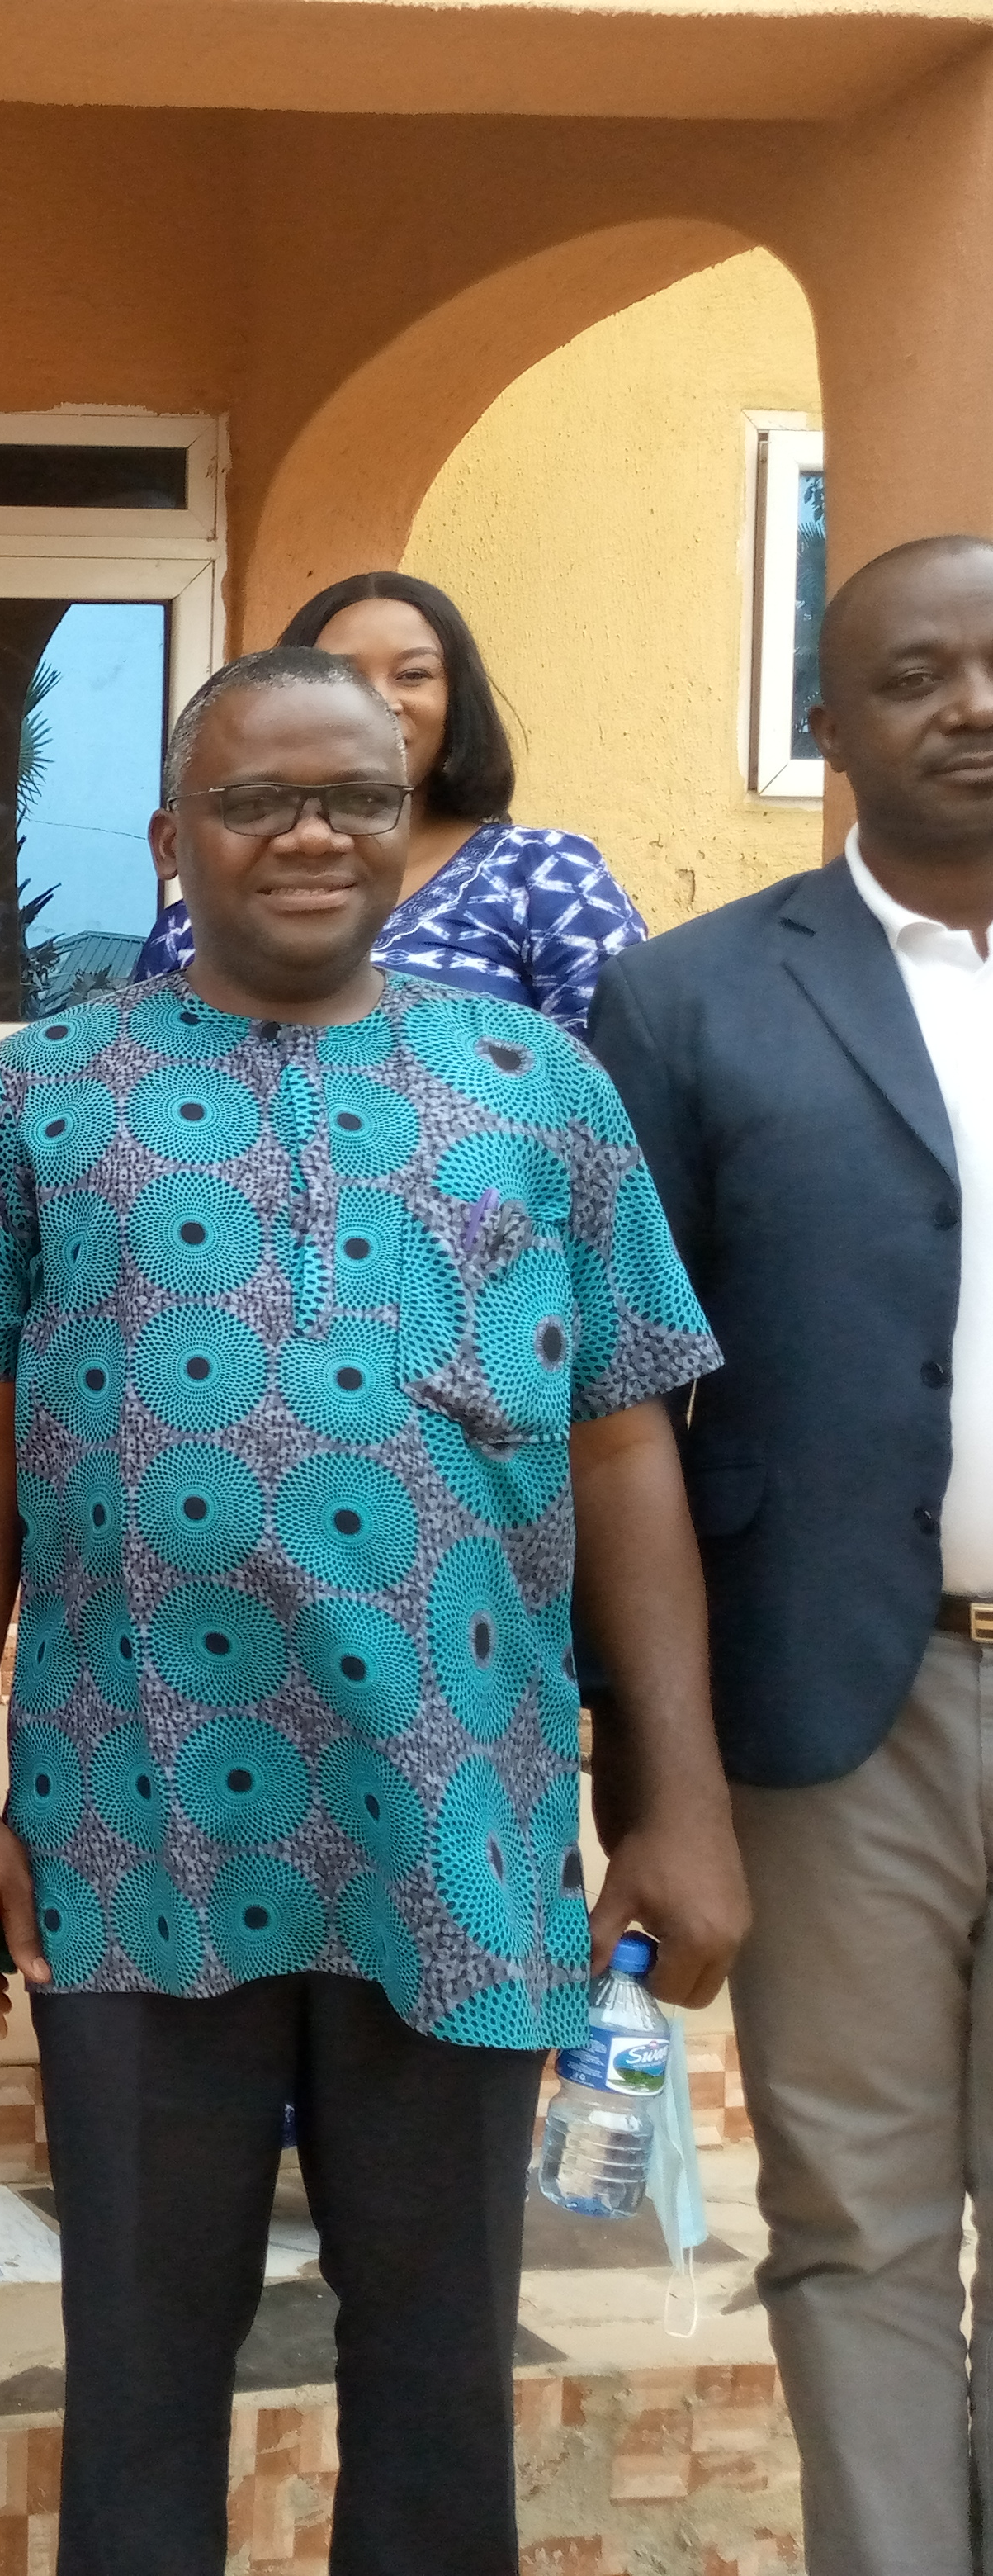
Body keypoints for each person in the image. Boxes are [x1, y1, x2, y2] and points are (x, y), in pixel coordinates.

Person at [0, 646, 749, 2575]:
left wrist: (677, 1797)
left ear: (406, 823)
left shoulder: (539, 1090)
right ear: (169, 836)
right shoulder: (44, 1097)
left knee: (437, 2365)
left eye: (354, 799)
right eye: (256, 800)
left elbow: (625, 1443)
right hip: (131, 1823)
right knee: (139, 2359)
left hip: (458, 1814)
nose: (308, 835)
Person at [587, 533, 993, 2575]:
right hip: (842, 1705)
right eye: (916, 674)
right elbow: (617, 1409)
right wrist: (654, 1778)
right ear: (827, 723)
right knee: (855, 2217)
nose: (974, 705)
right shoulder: (685, 997)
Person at [133, 571, 648, 1038]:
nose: (379, 701)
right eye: (343, 676)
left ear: (456, 699)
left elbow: (624, 1081)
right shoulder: (189, 927)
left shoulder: (545, 875)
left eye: (413, 674)